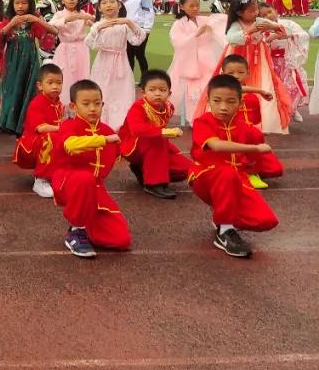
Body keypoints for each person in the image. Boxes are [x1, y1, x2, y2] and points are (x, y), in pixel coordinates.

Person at [188, 74, 280, 258]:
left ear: (240, 103)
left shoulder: (244, 127)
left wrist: (255, 157)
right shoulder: (203, 122)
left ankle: (224, 214)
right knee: (227, 173)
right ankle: (224, 230)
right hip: (205, 177)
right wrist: (255, 148)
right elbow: (216, 145)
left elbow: (256, 153)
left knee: (266, 220)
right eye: (217, 101)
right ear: (208, 101)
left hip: (235, 179)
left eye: (231, 102)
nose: (223, 107)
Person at [51, 80, 131, 259]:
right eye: (86, 104)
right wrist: (103, 140)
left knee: (121, 240)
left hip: (94, 187)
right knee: (85, 179)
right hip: (68, 181)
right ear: (73, 106)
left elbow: (123, 149)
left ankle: (87, 226)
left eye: (97, 103)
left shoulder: (106, 130)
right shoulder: (69, 126)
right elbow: (71, 145)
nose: (92, 108)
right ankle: (76, 230)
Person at [222, 0, 291, 134]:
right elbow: (232, 39)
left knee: (265, 83)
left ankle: (266, 123)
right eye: (251, 10)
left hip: (259, 59)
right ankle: (229, 119)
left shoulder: (260, 21)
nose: (256, 13)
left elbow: (284, 31)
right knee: (233, 85)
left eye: (256, 9)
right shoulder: (236, 24)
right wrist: (250, 30)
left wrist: (274, 27)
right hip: (238, 58)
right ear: (239, 13)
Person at [118, 70, 192, 199]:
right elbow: (137, 129)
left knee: (187, 169)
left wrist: (172, 150)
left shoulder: (168, 107)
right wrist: (164, 132)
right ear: (143, 92)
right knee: (157, 139)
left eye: (162, 90)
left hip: (154, 146)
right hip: (132, 146)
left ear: (169, 93)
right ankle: (154, 183)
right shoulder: (138, 107)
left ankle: (142, 170)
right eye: (152, 90)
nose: (157, 93)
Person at [219, 55, 285, 188]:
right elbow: (235, 90)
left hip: (249, 140)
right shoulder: (222, 95)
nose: (236, 76)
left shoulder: (252, 98)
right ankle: (248, 173)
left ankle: (246, 170)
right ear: (222, 74)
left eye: (241, 72)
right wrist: (260, 90)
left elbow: (255, 121)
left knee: (275, 169)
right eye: (231, 73)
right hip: (230, 139)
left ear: (248, 73)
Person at [0, 0, 55, 136]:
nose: (20, 7)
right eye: (17, 3)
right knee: (10, 89)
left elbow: (54, 32)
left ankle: (23, 124)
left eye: (24, 3)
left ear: (30, 4)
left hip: (30, 60)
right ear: (12, 5)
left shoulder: (33, 21)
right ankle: (7, 122)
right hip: (11, 61)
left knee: (27, 88)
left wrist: (37, 20)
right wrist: (11, 24)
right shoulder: (8, 19)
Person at [85, 0, 146, 130]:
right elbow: (90, 44)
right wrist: (98, 29)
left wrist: (129, 23)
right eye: (105, 3)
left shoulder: (124, 24)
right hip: (103, 63)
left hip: (121, 63)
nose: (109, 5)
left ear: (119, 5)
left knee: (122, 92)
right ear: (99, 8)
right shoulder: (97, 25)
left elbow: (138, 39)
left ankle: (122, 124)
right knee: (103, 91)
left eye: (112, 2)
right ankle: (102, 123)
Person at [166, 0, 225, 127]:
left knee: (209, 86)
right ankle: (195, 118)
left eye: (197, 5)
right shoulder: (179, 24)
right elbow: (178, 43)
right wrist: (195, 34)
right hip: (189, 61)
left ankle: (210, 115)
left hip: (206, 58)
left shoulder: (203, 20)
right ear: (182, 6)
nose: (195, 9)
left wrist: (211, 29)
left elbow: (220, 23)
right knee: (193, 91)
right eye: (191, 6)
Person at [13, 63, 65, 198]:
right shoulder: (37, 103)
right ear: (40, 85)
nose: (55, 86)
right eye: (50, 82)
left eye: (59, 83)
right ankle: (41, 179)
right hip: (31, 144)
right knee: (52, 138)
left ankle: (58, 175)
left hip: (49, 139)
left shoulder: (58, 103)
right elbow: (41, 128)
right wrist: (63, 128)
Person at [259, 5, 310, 121]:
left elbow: (303, 35)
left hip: (287, 62)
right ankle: (279, 113)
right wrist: (268, 39)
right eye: (263, 15)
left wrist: (290, 35)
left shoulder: (288, 23)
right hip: (271, 64)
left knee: (293, 87)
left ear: (276, 11)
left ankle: (293, 109)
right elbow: (257, 44)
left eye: (270, 12)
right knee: (276, 89)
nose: (268, 16)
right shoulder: (261, 30)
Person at [48, 0, 93, 107]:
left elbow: (93, 22)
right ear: (62, 0)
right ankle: (63, 105)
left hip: (81, 49)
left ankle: (81, 103)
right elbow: (52, 25)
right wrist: (69, 18)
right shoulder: (59, 14)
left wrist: (89, 19)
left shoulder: (83, 13)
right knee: (65, 76)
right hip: (65, 48)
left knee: (82, 75)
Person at [118, 0, 155, 78]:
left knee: (140, 54)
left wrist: (147, 29)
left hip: (140, 28)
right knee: (128, 55)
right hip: (126, 28)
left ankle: (145, 78)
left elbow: (149, 11)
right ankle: (129, 79)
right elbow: (120, 10)